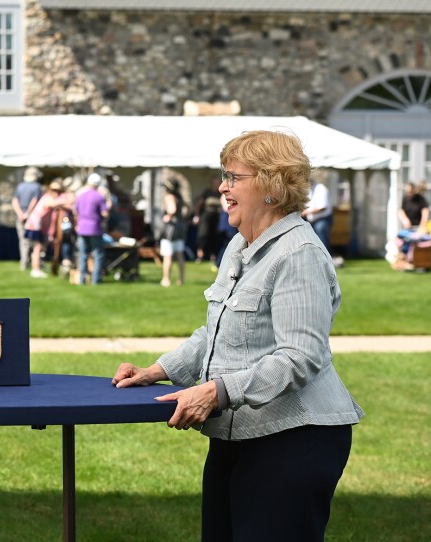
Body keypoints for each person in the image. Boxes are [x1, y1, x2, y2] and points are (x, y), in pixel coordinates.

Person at [112, 130, 363, 542]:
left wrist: (215, 392)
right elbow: (216, 333)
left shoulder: (298, 253)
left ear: (271, 184)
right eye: (223, 176)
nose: (223, 188)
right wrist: (157, 370)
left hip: (296, 439)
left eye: (233, 177)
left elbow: (300, 356)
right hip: (241, 435)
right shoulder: (239, 244)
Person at [24, 179, 65, 278]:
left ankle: (37, 267)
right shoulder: (47, 198)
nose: (56, 193)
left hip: (38, 226)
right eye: (54, 190)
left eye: (58, 191)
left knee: (39, 247)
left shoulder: (49, 198)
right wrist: (67, 201)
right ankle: (36, 269)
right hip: (35, 226)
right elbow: (53, 204)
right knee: (38, 248)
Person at [74, 172, 109, 284]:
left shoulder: (81, 195)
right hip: (95, 228)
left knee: (83, 254)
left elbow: (76, 211)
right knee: (98, 254)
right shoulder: (99, 196)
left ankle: (82, 279)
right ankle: (95, 279)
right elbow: (104, 213)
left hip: (82, 228)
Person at [11, 166, 43, 271]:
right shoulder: (36, 187)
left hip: (22, 215)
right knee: (35, 240)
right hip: (32, 217)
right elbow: (34, 201)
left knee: (23, 240)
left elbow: (15, 201)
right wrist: (27, 213)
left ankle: (24, 262)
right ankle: (35, 263)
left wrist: (20, 213)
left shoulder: (20, 186)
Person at [160, 177, 186, 287]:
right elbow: (186, 208)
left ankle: (166, 280)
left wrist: (168, 216)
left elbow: (172, 209)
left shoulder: (169, 196)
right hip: (179, 227)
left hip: (171, 229)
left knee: (168, 255)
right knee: (179, 254)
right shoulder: (179, 196)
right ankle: (181, 279)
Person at [192, 177, 222, 262]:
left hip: (216, 217)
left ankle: (214, 257)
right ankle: (200, 255)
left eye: (218, 183)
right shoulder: (207, 192)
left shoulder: (220, 193)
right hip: (206, 216)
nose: (216, 185)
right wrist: (196, 216)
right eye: (215, 183)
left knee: (215, 237)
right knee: (202, 235)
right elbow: (199, 204)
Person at [302, 178, 333, 251]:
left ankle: (325, 255)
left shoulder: (321, 189)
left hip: (323, 218)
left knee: (321, 232)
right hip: (311, 220)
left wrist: (306, 212)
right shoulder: (309, 190)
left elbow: (322, 208)